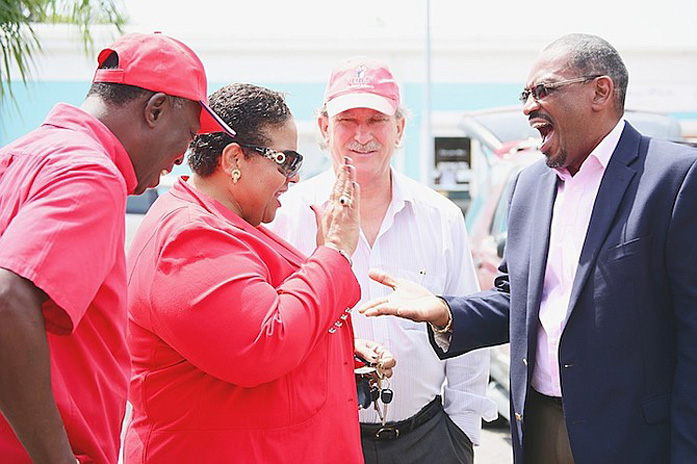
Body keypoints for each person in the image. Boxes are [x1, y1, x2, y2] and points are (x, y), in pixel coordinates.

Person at [359, 33, 697, 464]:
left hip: (633, 439)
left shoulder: (675, 177)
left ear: (600, 91)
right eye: (525, 94)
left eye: (543, 90)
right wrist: (444, 311)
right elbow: (515, 304)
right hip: (538, 427)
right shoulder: (528, 186)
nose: (528, 106)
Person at [124, 83, 394, 463]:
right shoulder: (189, 236)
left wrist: (335, 349)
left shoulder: (224, 224)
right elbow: (264, 342)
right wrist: (334, 251)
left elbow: (242, 326)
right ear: (234, 159)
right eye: (286, 161)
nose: (294, 178)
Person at [0, 32, 233, 463]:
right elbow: (7, 300)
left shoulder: (18, 156)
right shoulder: (90, 170)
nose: (180, 159)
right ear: (155, 109)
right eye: (187, 133)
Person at [271, 57, 495, 464]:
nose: (362, 135)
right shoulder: (286, 213)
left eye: (376, 119)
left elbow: (467, 331)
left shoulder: (441, 216)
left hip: (426, 438)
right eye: (347, 120)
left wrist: (461, 432)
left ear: (400, 128)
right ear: (324, 128)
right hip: (320, 438)